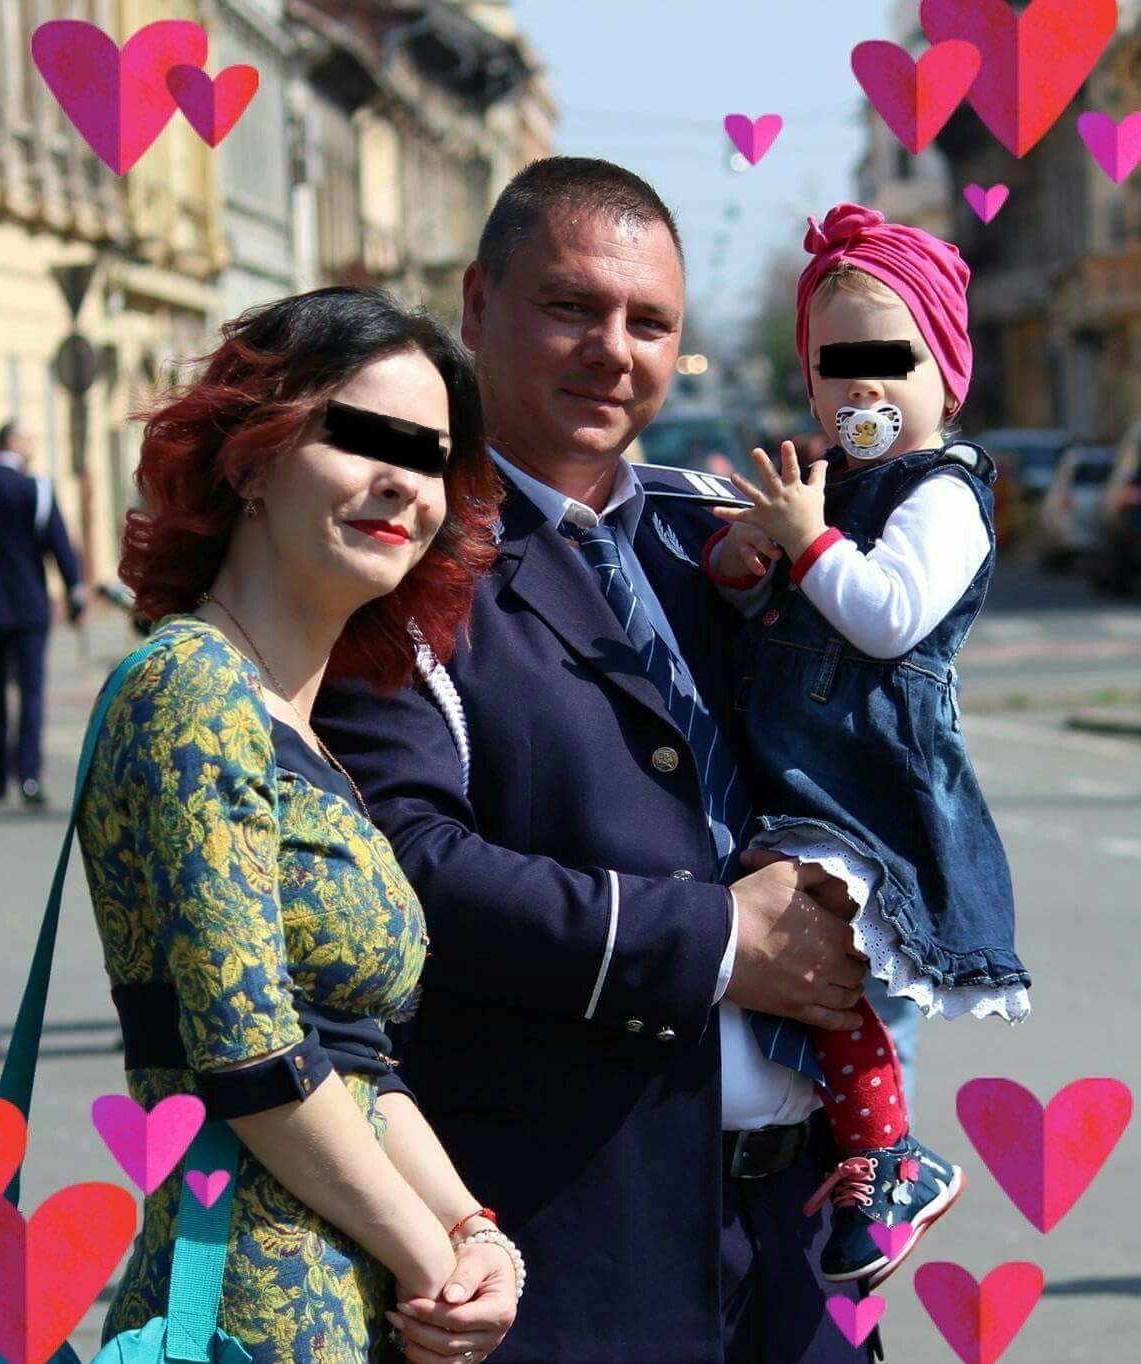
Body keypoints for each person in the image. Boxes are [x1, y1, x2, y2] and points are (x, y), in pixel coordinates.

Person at [314, 158, 873, 1363]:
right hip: (573, 1239)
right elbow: (403, 865)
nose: (614, 351)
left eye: (650, 322)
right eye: (571, 306)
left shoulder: (713, 535)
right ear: (478, 306)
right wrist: (717, 938)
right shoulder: (404, 556)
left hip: (797, 1229)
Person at [76, 288, 520, 1363]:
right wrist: (432, 1261)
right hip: (249, 1308)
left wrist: (475, 1237)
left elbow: (354, 1057)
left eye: (428, 459)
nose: (402, 483)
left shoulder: (296, 726)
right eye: (363, 438)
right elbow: (249, 1051)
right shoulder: (194, 685)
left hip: (352, 1301)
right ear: (252, 458)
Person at [705, 202, 1028, 1284]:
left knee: (842, 971)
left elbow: (886, 616)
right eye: (836, 368)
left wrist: (810, 542)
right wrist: (748, 562)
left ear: (948, 375)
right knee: (814, 976)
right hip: (803, 774)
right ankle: (865, 1152)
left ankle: (891, 1156)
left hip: (871, 786)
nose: (864, 392)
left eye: (893, 362)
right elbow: (773, 614)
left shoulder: (946, 495)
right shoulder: (826, 484)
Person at [0, 419, 85, 808]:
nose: (33, 447)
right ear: (13, 441)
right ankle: (28, 776)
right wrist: (75, 591)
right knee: (31, 693)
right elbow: (58, 544)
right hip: (29, 607)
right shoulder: (36, 489)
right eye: (28, 440)